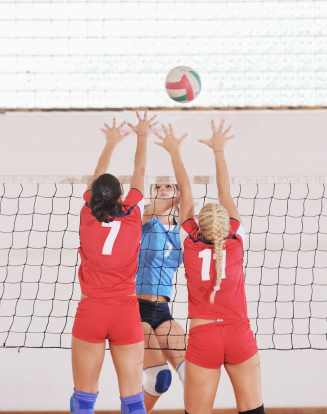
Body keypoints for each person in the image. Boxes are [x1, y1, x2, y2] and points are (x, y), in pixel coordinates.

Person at [154, 121, 265, 414]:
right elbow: (225, 193)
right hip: (239, 333)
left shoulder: (188, 240)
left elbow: (186, 193)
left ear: (199, 226)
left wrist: (174, 151)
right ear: (227, 223)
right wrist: (219, 150)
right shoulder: (237, 239)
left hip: (204, 337)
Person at [70, 110, 158, 414]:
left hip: (91, 311)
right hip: (125, 313)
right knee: (134, 403)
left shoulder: (86, 214)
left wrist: (109, 143)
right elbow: (141, 168)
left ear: (93, 198)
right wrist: (142, 133)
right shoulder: (133, 212)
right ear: (121, 196)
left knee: (82, 403)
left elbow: (96, 179)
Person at [136, 182, 187, 412]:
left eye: (169, 186)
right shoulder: (146, 220)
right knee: (160, 378)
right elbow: (150, 209)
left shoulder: (182, 231)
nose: (162, 189)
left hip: (164, 311)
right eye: (157, 187)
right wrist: (182, 195)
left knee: (193, 375)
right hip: (137, 310)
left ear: (177, 191)